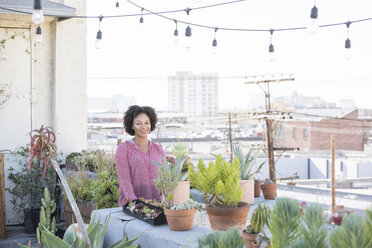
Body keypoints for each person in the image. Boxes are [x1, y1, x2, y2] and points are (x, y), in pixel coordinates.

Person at [115, 105, 165, 206]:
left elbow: (164, 178)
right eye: (138, 123)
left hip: (157, 206)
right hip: (132, 206)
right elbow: (124, 180)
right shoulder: (124, 149)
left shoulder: (158, 149)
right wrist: (134, 202)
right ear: (132, 125)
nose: (143, 127)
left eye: (147, 123)